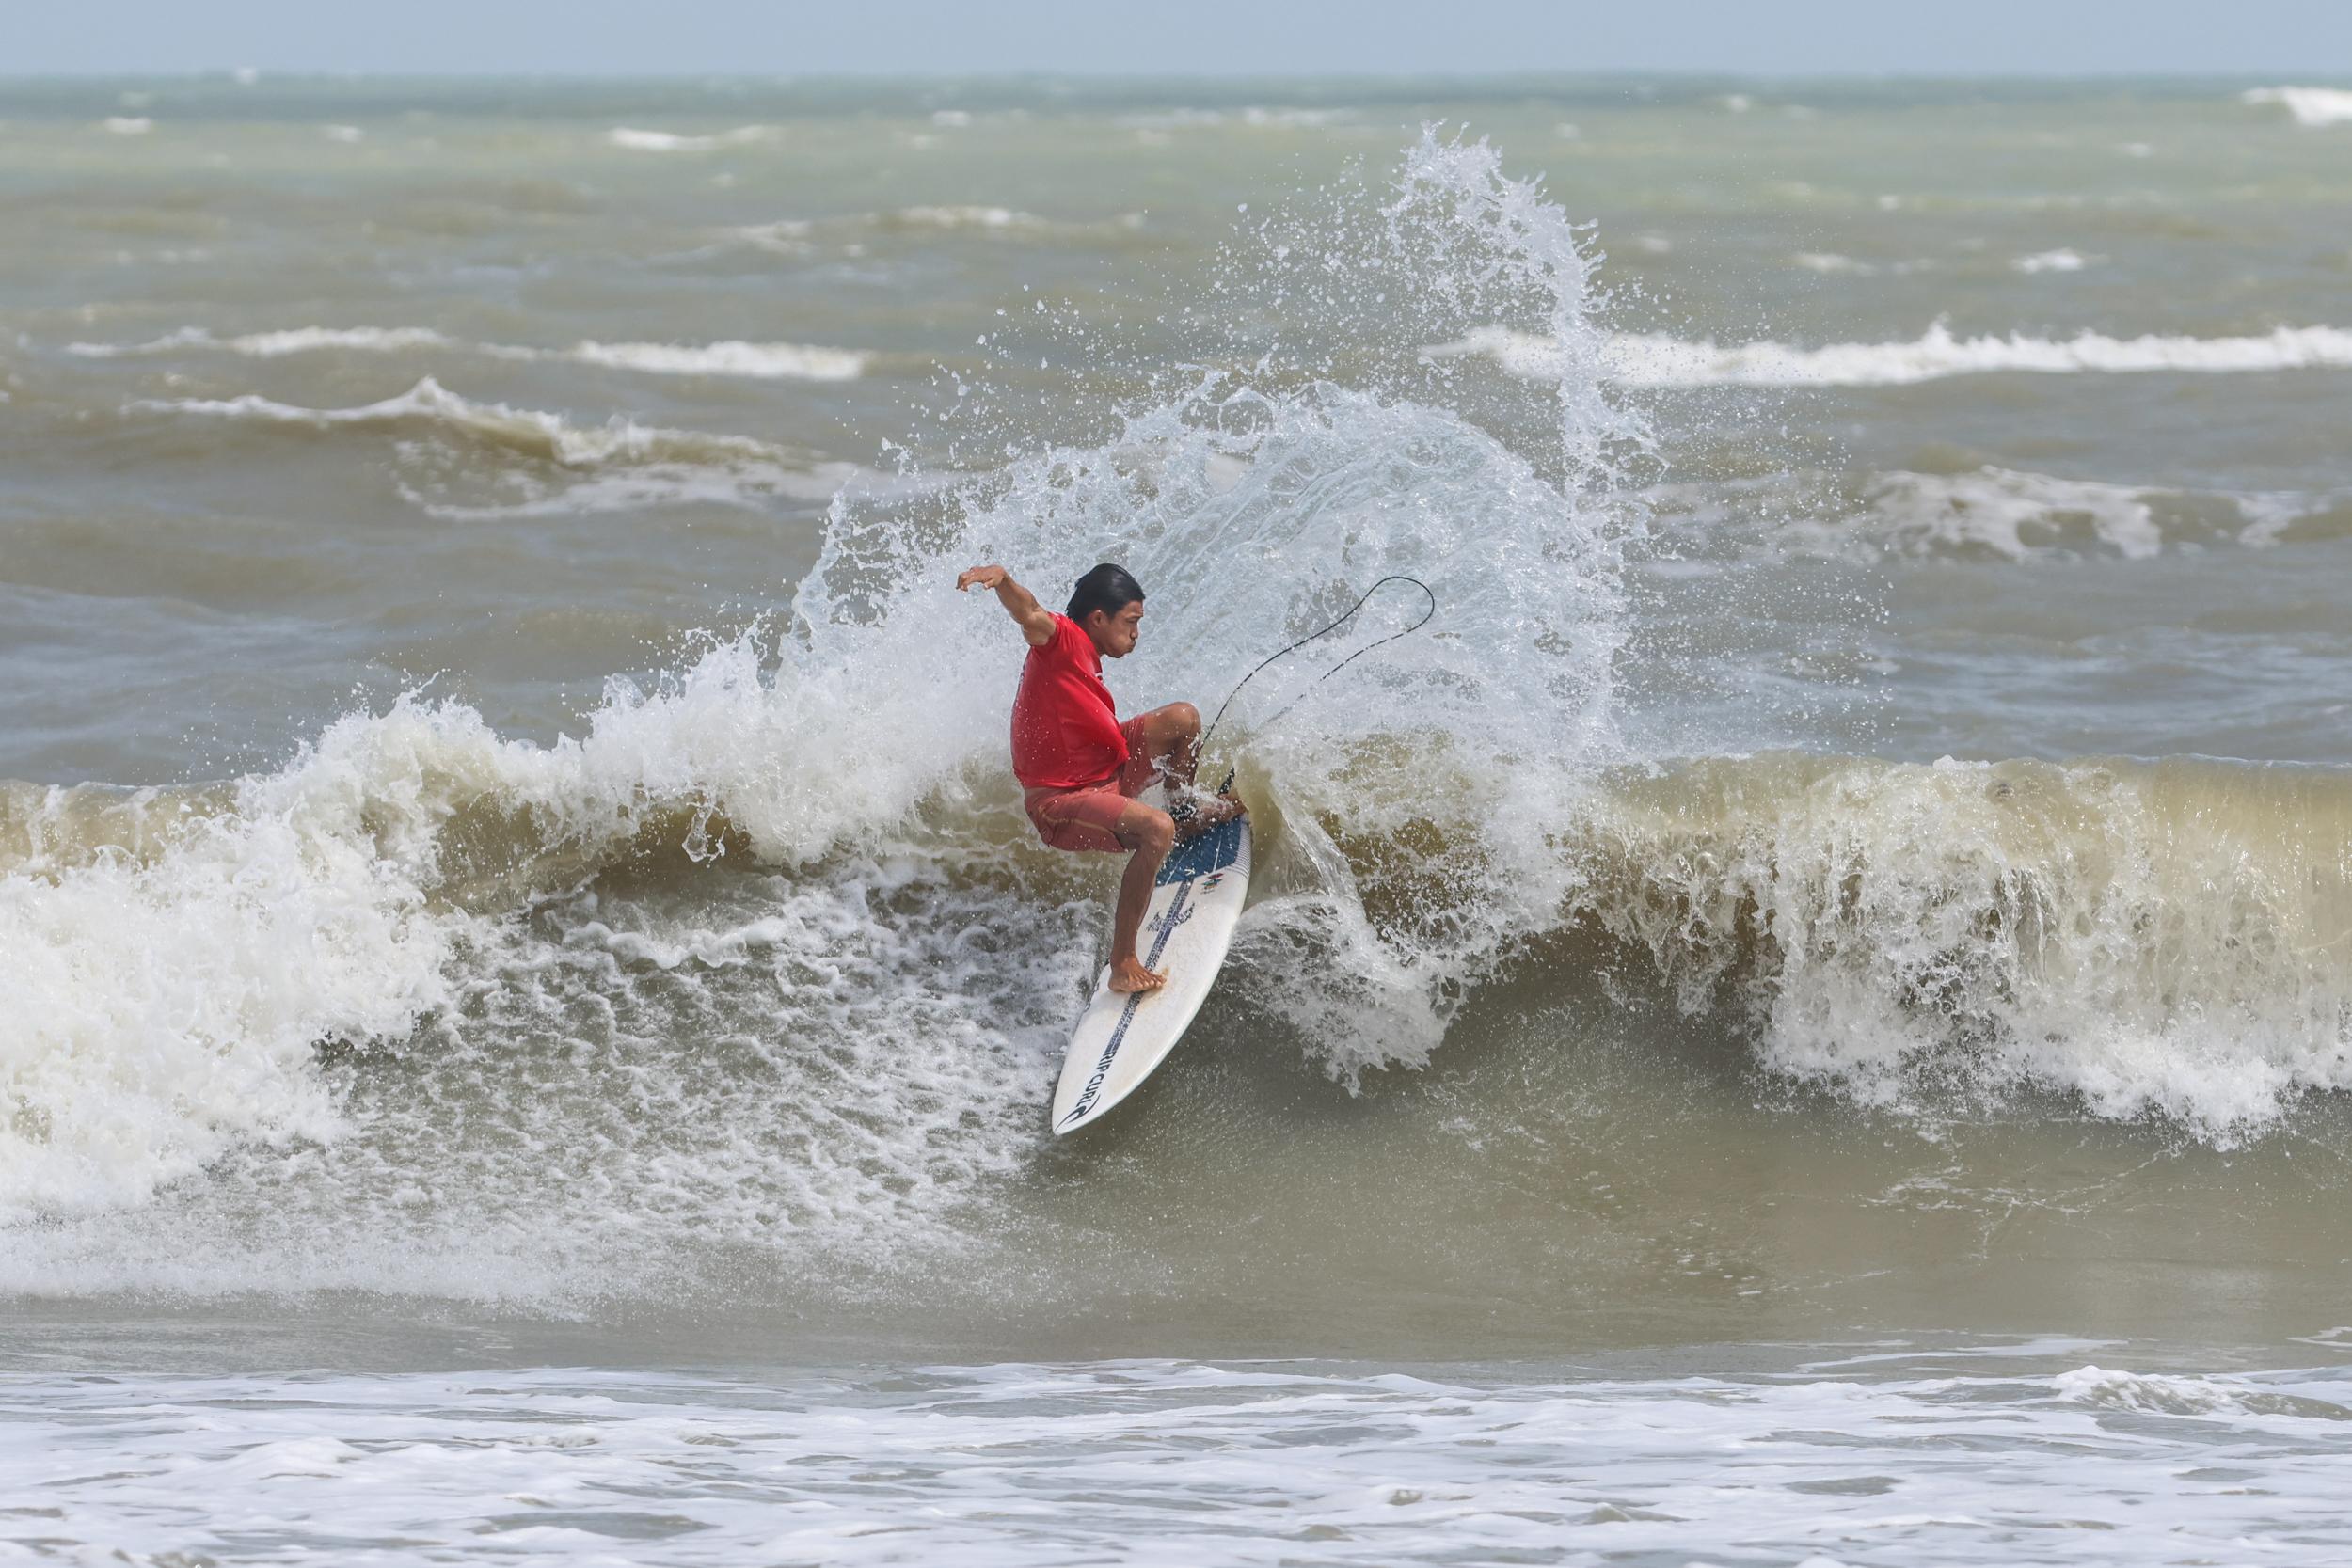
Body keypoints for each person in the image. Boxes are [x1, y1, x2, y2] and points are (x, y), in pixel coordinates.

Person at [957, 561, 1244, 994]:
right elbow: (1030, 614)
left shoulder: (1086, 654)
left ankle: (1183, 813)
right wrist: (1002, 580)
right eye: (1130, 622)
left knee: (1184, 719)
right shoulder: (1062, 640)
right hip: (1060, 804)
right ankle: (1123, 962)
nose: (1136, 634)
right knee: (1154, 830)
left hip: (1103, 774)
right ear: (1098, 619)